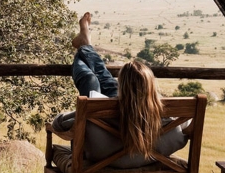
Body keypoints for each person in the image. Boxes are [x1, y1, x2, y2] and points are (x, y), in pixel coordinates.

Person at [54, 12, 172, 164]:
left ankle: (85, 45)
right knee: (107, 81)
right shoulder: (170, 117)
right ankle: (85, 44)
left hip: (101, 162)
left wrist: (59, 119)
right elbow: (184, 132)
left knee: (93, 81)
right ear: (151, 87)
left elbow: (59, 124)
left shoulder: (100, 110)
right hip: (143, 152)